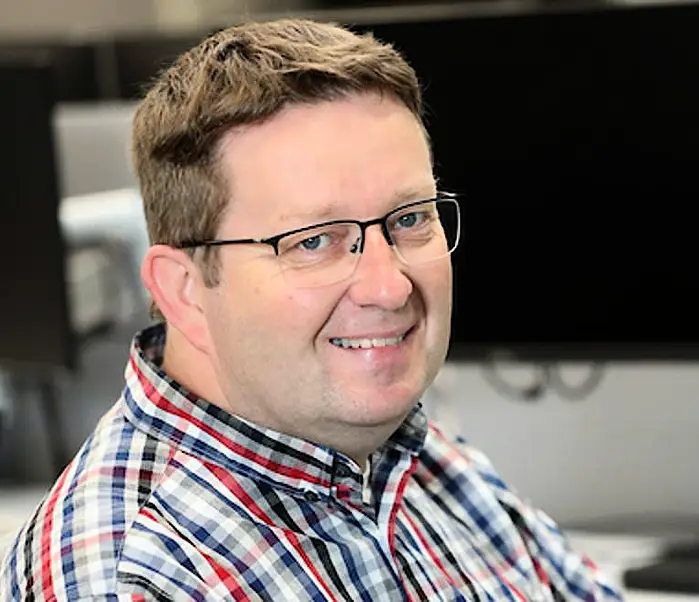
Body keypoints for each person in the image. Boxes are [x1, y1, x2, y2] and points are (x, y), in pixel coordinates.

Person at [2, 19, 623, 601]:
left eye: (410, 219)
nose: (389, 287)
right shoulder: (136, 577)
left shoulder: (421, 461)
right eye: (313, 241)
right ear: (185, 289)